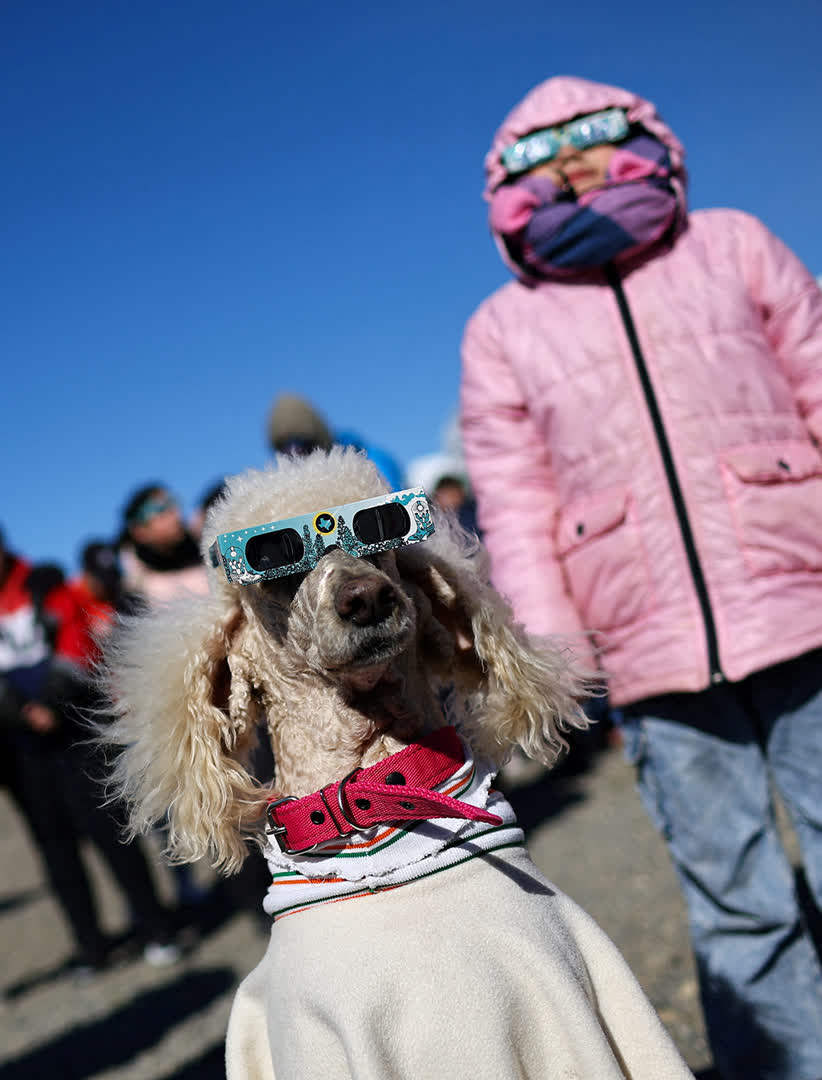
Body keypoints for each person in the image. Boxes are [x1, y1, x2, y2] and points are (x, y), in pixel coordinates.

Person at [460, 75, 822, 1080]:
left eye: (597, 146)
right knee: (739, 904)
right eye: (547, 159)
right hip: (653, 654)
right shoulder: (504, 327)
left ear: (646, 146)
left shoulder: (734, 244)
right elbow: (517, 503)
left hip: (807, 606)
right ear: (511, 189)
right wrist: (554, 658)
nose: (575, 171)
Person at [0, 531, 178, 974]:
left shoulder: (43, 582)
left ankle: (155, 928)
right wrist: (20, 711)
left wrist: (50, 701)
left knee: (111, 833)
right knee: (55, 849)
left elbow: (76, 643)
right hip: (22, 748)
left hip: (75, 730)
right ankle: (91, 946)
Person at [266, 391, 405, 490]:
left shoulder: (370, 462)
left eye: (301, 444)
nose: (295, 455)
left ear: (319, 438)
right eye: (285, 450)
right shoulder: (287, 489)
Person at [118, 484, 209, 607]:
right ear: (138, 530)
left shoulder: (212, 553)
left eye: (173, 503)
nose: (176, 513)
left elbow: (242, 591)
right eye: (161, 509)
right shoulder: (133, 590)